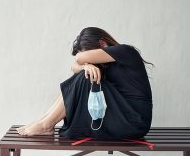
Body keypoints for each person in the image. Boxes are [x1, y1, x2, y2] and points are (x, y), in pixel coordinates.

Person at [16, 27, 154, 139]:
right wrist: (85, 67)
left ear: (103, 44)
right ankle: (44, 120)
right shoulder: (105, 63)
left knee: (85, 77)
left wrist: (84, 64)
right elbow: (75, 66)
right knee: (84, 75)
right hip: (122, 117)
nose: (91, 61)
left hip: (135, 120)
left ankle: (47, 124)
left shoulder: (125, 51)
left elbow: (79, 58)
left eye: (91, 55)